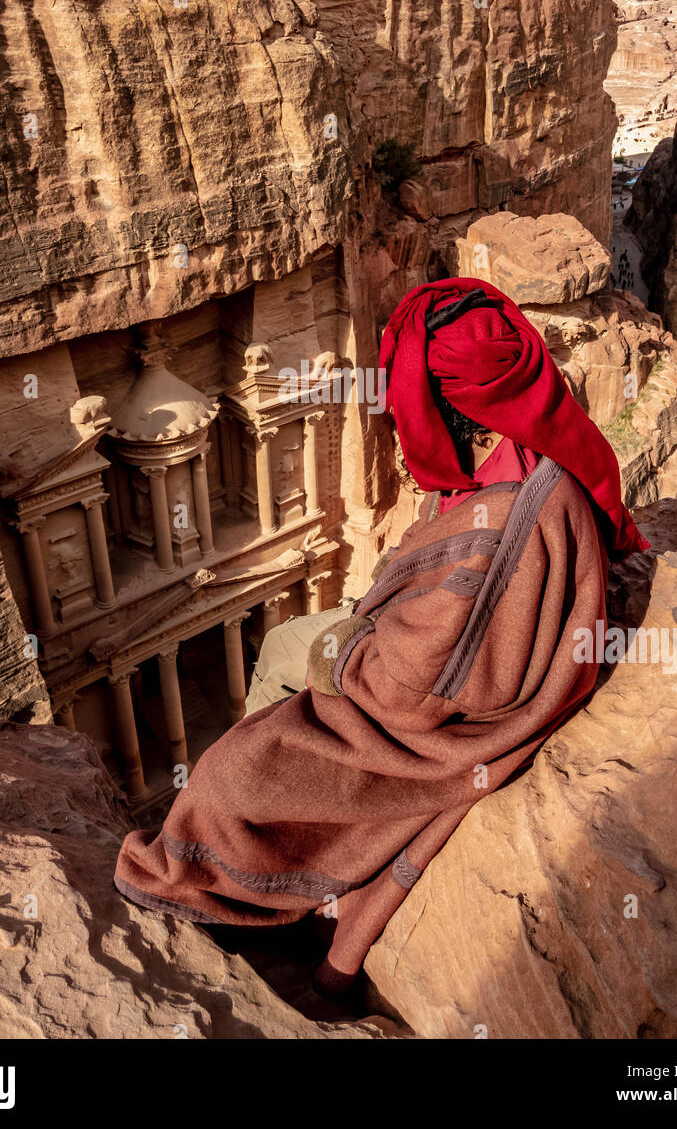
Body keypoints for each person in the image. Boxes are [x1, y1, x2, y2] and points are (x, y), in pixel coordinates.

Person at [114, 278, 649, 992]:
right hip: (437, 647)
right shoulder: (541, 449)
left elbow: (408, 692)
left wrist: (347, 651)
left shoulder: (501, 532)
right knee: (280, 652)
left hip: (432, 714)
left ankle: (250, 897)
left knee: (228, 776)